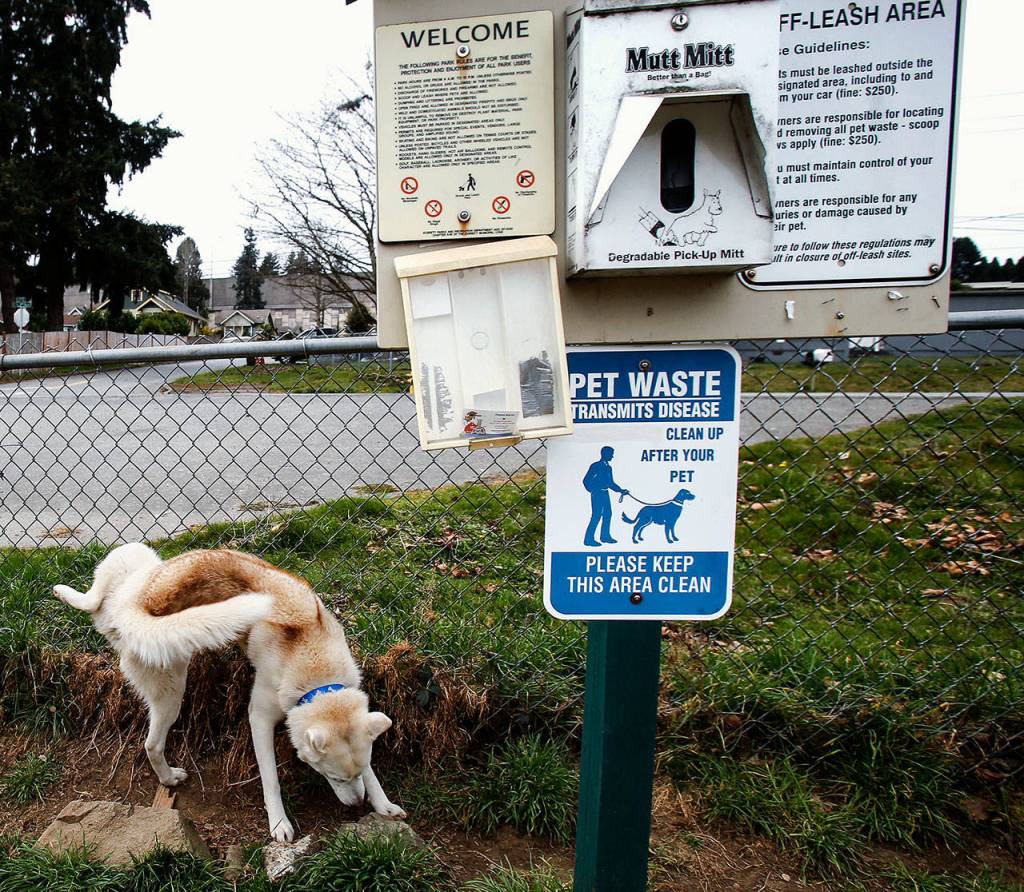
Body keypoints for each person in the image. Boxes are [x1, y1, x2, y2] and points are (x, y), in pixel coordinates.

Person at [582, 446, 629, 546]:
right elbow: (586, 480)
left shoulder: (608, 467)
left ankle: (605, 536)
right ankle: (588, 539)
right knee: (596, 516)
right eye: (611, 454)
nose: (612, 456)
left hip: (605, 493)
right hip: (597, 493)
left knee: (608, 514)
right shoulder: (596, 466)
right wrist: (593, 490)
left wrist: (621, 490)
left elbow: (610, 483)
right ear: (605, 454)